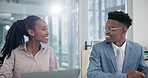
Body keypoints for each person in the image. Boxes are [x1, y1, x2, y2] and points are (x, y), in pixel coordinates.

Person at [87, 11, 148, 78]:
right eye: (106, 28)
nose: (106, 32)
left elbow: (143, 71)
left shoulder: (137, 49)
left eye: (111, 29)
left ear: (123, 31)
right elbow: (92, 74)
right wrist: (125, 76)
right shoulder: (98, 48)